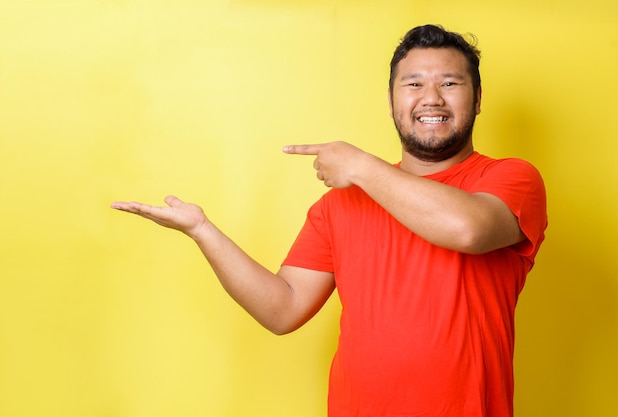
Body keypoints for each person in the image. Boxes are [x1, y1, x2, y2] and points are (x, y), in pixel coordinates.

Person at [111, 24, 547, 417]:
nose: (431, 97)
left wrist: (360, 165)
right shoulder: (340, 205)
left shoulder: (510, 178)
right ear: (393, 100)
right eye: (413, 84)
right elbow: (282, 309)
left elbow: (466, 229)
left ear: (477, 98)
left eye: (450, 83)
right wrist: (202, 231)